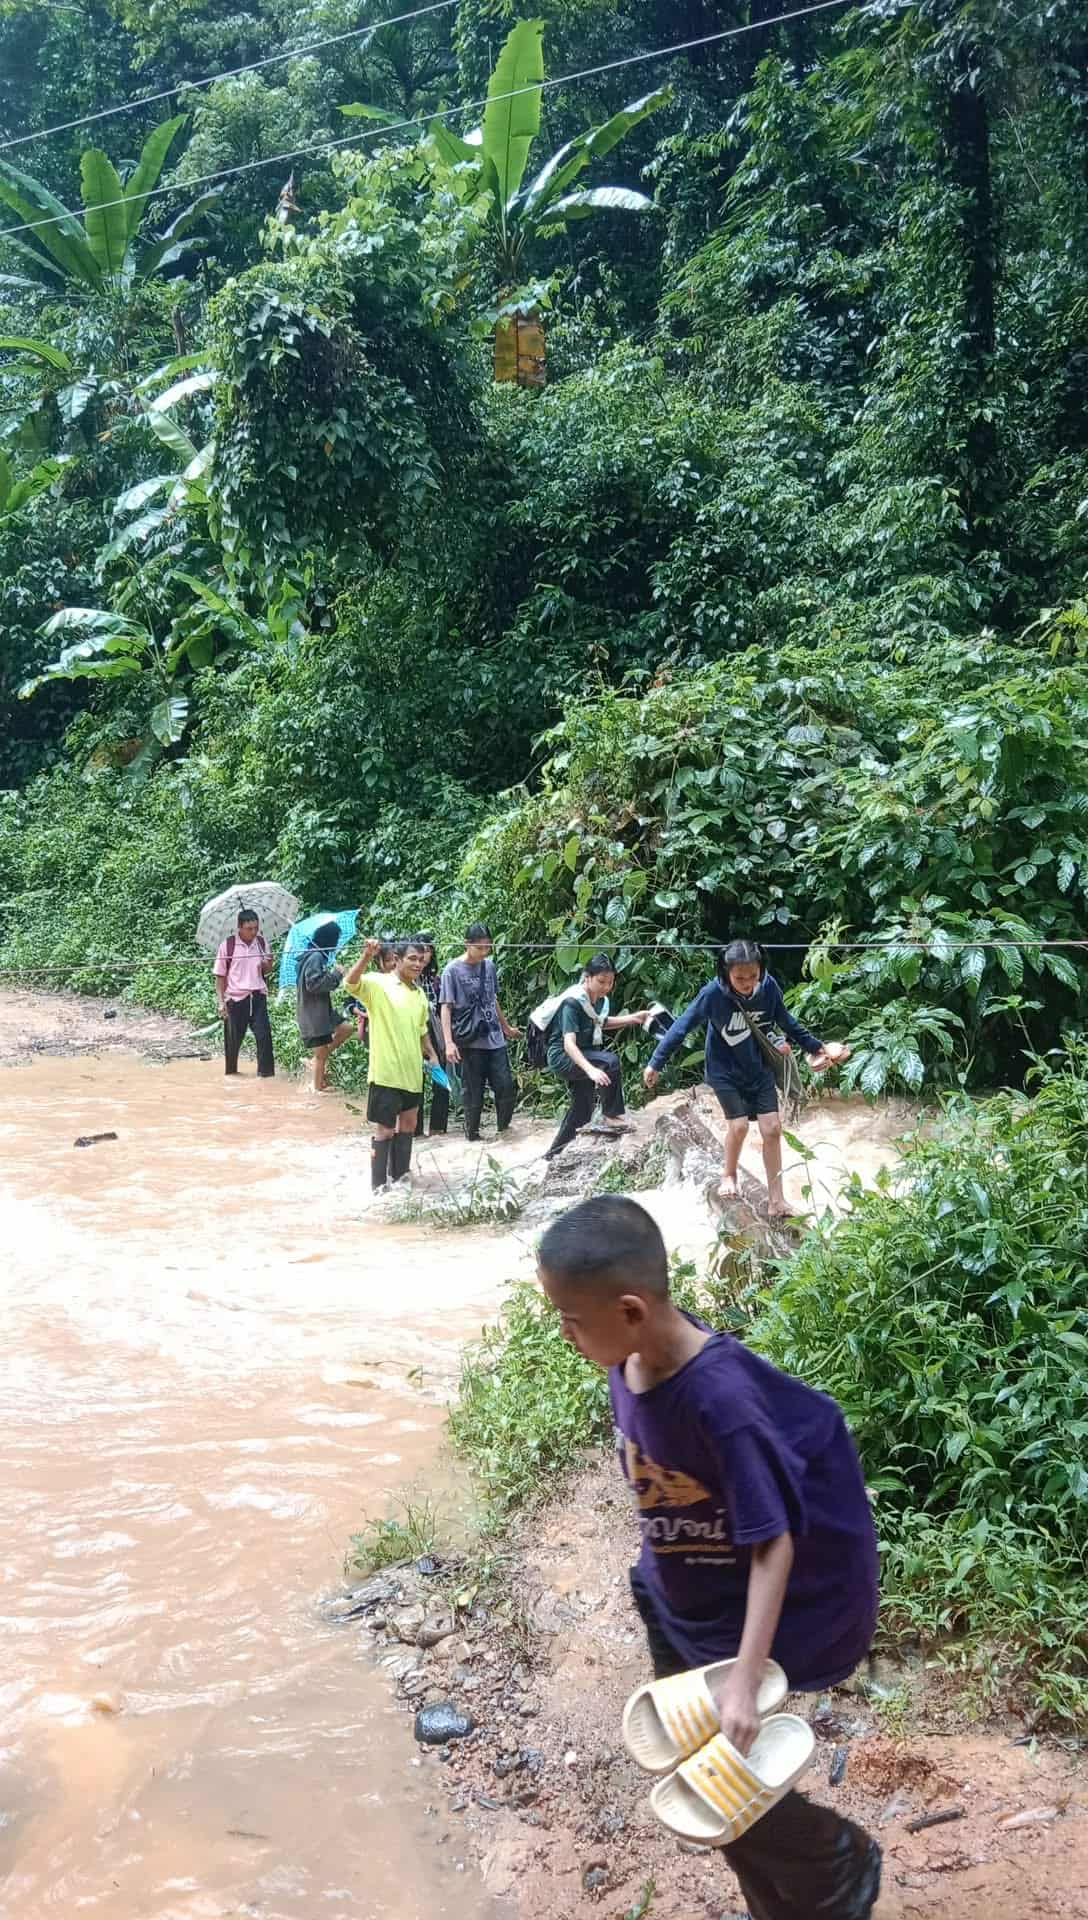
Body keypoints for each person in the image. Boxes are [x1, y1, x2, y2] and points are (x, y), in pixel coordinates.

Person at [538, 1195, 882, 1920]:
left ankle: (836, 1859)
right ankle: (779, 1905)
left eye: (570, 1317)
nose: (564, 1332)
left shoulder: (721, 1400)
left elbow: (774, 1542)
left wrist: (745, 1679)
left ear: (632, 1310)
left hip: (734, 1626)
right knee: (712, 1791)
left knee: (719, 1780)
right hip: (675, 1601)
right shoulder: (626, 1362)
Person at [643, 939, 849, 1217]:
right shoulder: (712, 994)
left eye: (753, 976)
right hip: (723, 1071)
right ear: (725, 973)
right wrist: (656, 1062)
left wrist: (816, 1048)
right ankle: (729, 1175)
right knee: (738, 1127)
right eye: (739, 977)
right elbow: (681, 1026)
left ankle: (776, 1201)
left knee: (773, 1129)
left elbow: (787, 1022)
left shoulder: (769, 988)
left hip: (758, 1067)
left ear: (761, 970)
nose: (747, 982)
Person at [343, 936, 437, 1192]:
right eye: (412, 959)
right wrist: (365, 956)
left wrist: (432, 1054)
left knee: (408, 1126)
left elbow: (421, 1031)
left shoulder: (418, 995)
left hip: (412, 1074)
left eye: (421, 959)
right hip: (385, 1074)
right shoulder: (378, 984)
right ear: (396, 960)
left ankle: (401, 1179)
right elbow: (350, 983)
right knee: (384, 1130)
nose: (418, 964)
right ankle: (378, 1188)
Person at [544, 954, 652, 1162]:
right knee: (609, 1061)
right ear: (587, 978)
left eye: (610, 982)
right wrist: (590, 1069)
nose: (606, 987)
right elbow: (568, 1043)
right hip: (564, 1057)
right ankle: (612, 1115)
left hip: (584, 1055)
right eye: (601, 981)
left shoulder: (599, 1001)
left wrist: (635, 1018)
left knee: (582, 1111)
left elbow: (599, 1023)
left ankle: (552, 1155)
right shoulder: (572, 1003)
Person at [440, 922, 520, 1143]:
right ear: (467, 944)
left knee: (505, 1085)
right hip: (470, 1039)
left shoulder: (490, 967)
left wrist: (506, 1028)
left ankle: (504, 1131)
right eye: (479, 948)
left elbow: (493, 999)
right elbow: (446, 1007)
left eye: (488, 947)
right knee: (473, 1090)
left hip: (494, 1038)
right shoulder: (452, 970)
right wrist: (449, 1042)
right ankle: (472, 1135)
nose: (484, 952)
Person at [214, 907, 275, 1078]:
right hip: (236, 998)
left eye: (256, 928)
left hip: (257, 996)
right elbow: (220, 976)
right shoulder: (228, 945)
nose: (253, 932)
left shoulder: (262, 943)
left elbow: (268, 968)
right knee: (233, 1041)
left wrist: (266, 964)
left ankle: (266, 1076)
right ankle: (231, 1074)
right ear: (239, 927)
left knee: (264, 1037)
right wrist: (221, 1002)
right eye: (249, 929)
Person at [296, 919, 354, 1093]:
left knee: (347, 1028)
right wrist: (336, 974)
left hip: (322, 1011)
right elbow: (313, 984)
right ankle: (317, 1089)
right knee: (321, 1055)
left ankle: (314, 1068)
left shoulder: (314, 955)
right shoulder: (315, 956)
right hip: (313, 1014)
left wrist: (332, 974)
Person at [415, 934, 449, 1137]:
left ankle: (438, 1126)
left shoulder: (434, 978)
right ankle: (415, 1129)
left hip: (434, 1030)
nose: (425, 955)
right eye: (422, 950)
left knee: (440, 1077)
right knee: (416, 1080)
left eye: (429, 950)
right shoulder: (408, 978)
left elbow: (440, 1008)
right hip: (415, 1030)